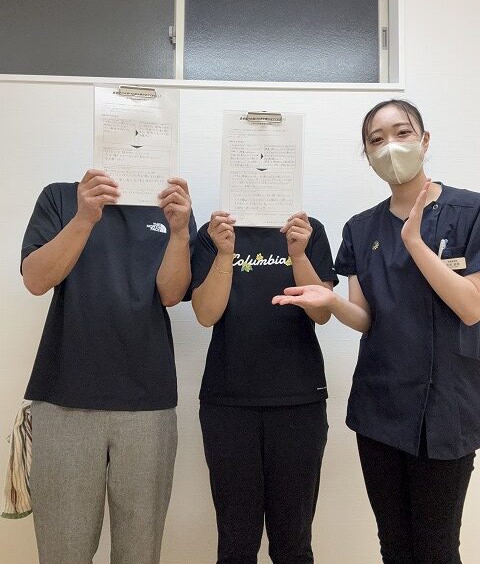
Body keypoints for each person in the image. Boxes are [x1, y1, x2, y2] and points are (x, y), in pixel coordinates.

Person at [273, 99, 480, 564]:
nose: (390, 146)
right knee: (394, 546)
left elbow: (471, 308)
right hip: (380, 406)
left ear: (424, 140)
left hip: (446, 407)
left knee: (437, 549)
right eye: (376, 139)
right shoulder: (361, 227)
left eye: (402, 133)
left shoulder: (471, 211)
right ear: (367, 156)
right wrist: (331, 303)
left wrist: (414, 242)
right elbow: (366, 318)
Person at [21, 170, 196, 564]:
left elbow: (171, 294)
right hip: (64, 398)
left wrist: (180, 233)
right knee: (63, 552)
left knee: (140, 553)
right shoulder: (61, 196)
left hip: (148, 403)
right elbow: (35, 279)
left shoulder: (170, 204)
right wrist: (84, 217)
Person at [190, 209, 338, 564]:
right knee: (236, 545)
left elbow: (322, 313)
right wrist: (225, 253)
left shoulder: (308, 230)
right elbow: (206, 314)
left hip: (298, 402)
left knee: (293, 545)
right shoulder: (214, 233)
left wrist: (298, 255)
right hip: (229, 404)